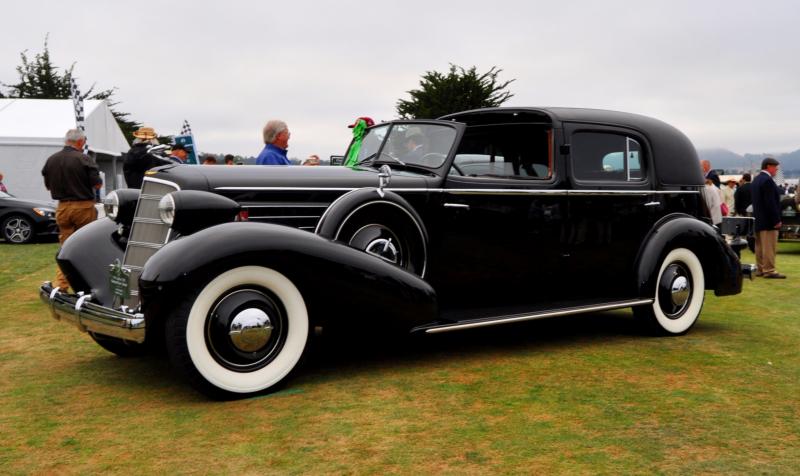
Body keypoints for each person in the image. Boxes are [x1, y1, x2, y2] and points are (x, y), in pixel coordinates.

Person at [41, 129, 102, 291]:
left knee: (66, 248)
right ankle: (87, 286)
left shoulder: (51, 160)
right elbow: (97, 184)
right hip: (83, 207)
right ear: (80, 142)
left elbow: (48, 186)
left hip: (62, 208)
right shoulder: (84, 159)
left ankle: (62, 285)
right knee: (86, 246)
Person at [751, 157, 785, 279]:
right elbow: (770, 202)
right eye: (775, 167)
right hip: (769, 220)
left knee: (760, 246)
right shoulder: (768, 181)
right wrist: (776, 220)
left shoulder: (756, 180)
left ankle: (760, 268)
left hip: (759, 219)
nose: (776, 169)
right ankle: (769, 270)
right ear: (768, 166)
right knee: (769, 246)